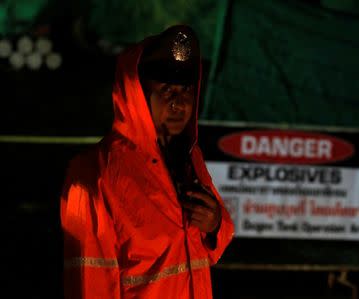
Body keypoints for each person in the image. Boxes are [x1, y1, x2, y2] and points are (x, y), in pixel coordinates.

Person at [60, 24, 234, 299]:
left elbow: (212, 244)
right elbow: (91, 283)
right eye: (166, 90)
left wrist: (214, 226)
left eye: (186, 90)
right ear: (137, 94)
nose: (180, 103)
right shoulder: (94, 173)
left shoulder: (189, 158)